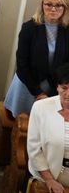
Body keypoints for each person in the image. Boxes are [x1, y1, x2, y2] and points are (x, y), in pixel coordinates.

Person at [4, 0, 69, 117]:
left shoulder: (67, 30)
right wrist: (38, 92)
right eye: (48, 4)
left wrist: (52, 91)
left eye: (58, 5)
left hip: (55, 86)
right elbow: (22, 62)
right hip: (28, 84)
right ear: (42, 6)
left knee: (46, 120)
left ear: (65, 7)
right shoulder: (29, 28)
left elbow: (67, 65)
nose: (53, 9)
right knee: (22, 121)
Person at [27, 63, 69, 192]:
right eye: (64, 88)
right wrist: (49, 179)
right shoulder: (41, 107)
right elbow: (34, 148)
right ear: (57, 87)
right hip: (46, 178)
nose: (68, 94)